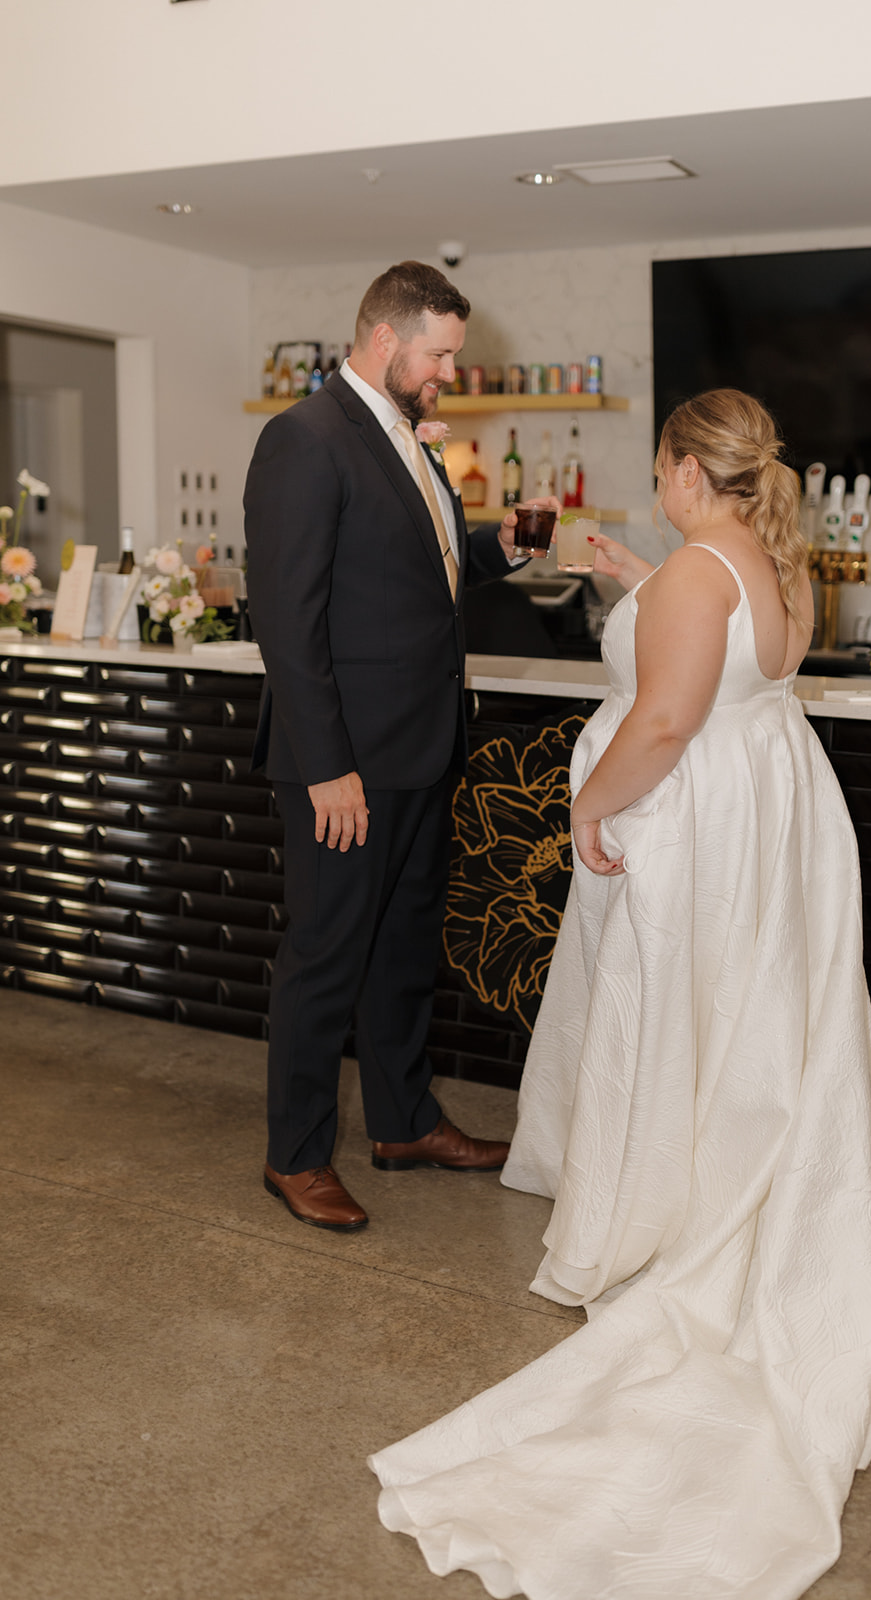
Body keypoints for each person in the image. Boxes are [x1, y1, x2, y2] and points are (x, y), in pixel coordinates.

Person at [370, 389, 871, 1598]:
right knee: (743, 1017)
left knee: (670, 1016)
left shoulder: (692, 580)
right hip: (770, 813)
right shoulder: (773, 563)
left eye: (657, 467)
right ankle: (718, 1167)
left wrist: (587, 805)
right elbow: (720, 671)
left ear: (680, 471)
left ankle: (661, 1203)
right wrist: (633, 578)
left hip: (689, 823)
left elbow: (667, 716)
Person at [245, 261, 531, 1233]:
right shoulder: (305, 440)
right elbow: (289, 620)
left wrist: (498, 551)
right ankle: (294, 1155)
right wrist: (329, 767)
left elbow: (417, 567)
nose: (452, 370)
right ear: (384, 339)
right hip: (344, 764)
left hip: (417, 749)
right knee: (326, 957)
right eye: (441, 353)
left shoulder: (401, 437)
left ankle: (405, 1122)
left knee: (404, 951)